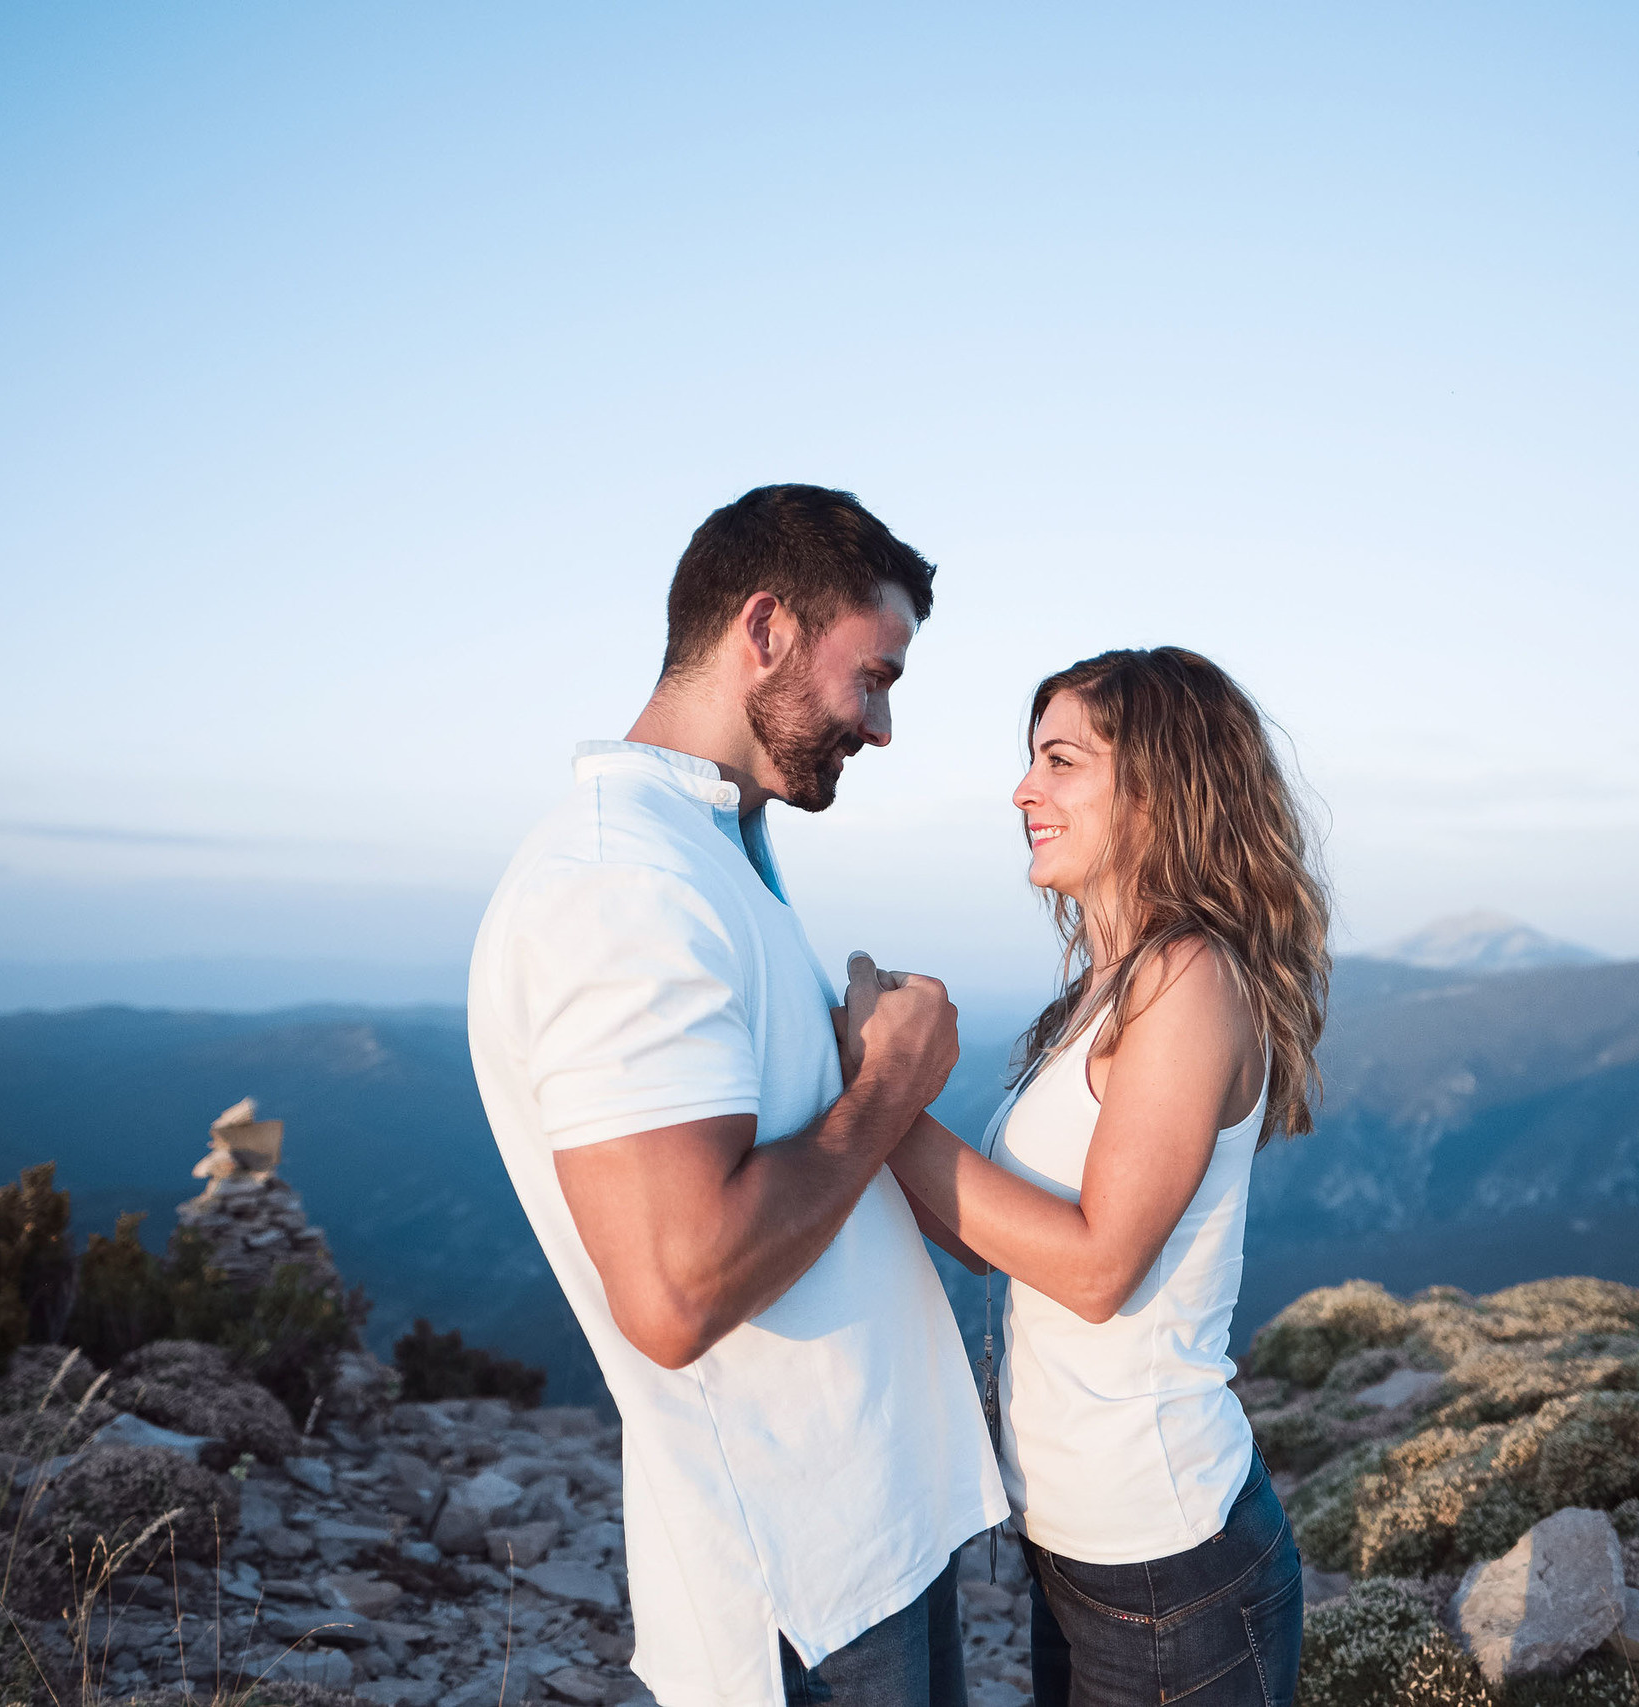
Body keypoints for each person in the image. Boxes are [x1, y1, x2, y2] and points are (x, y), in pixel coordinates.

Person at [467, 484, 1007, 1707]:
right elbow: (674, 1289)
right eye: (872, 676)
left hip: (857, 1539)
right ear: (762, 628)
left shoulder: (705, 853)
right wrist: (889, 1085)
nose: (879, 727)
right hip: (798, 1583)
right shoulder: (623, 885)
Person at [853, 647, 1327, 1707]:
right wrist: (856, 1114)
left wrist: (884, 1098)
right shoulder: (1108, 987)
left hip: (1169, 1561)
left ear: (1160, 786)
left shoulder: (1190, 979)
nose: (1025, 790)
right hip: (1087, 1547)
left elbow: (1098, 1266)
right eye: (1032, 761)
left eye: (1061, 761)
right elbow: (1000, 1242)